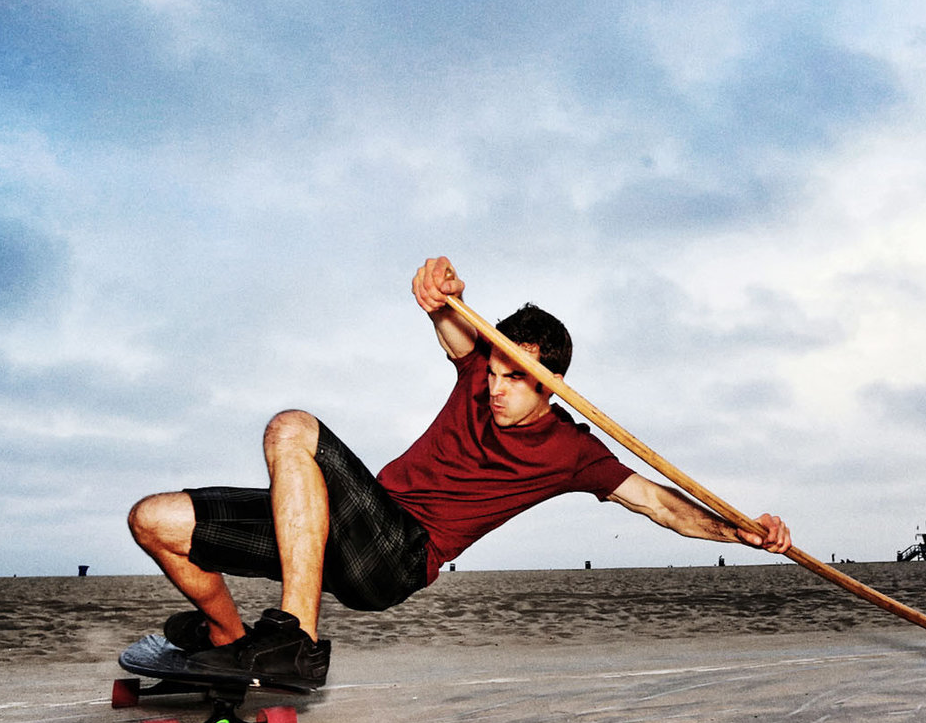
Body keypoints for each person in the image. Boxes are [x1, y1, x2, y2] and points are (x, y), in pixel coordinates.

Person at [126, 256, 792, 685]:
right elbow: (450, 323)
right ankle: (230, 638)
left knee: (292, 429)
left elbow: (659, 503)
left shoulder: (574, 452)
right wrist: (440, 294)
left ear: (552, 386)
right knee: (153, 520)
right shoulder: (477, 370)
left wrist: (744, 533)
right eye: (495, 371)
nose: (497, 388)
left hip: (394, 557)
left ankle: (294, 642)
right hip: (337, 528)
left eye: (515, 379)